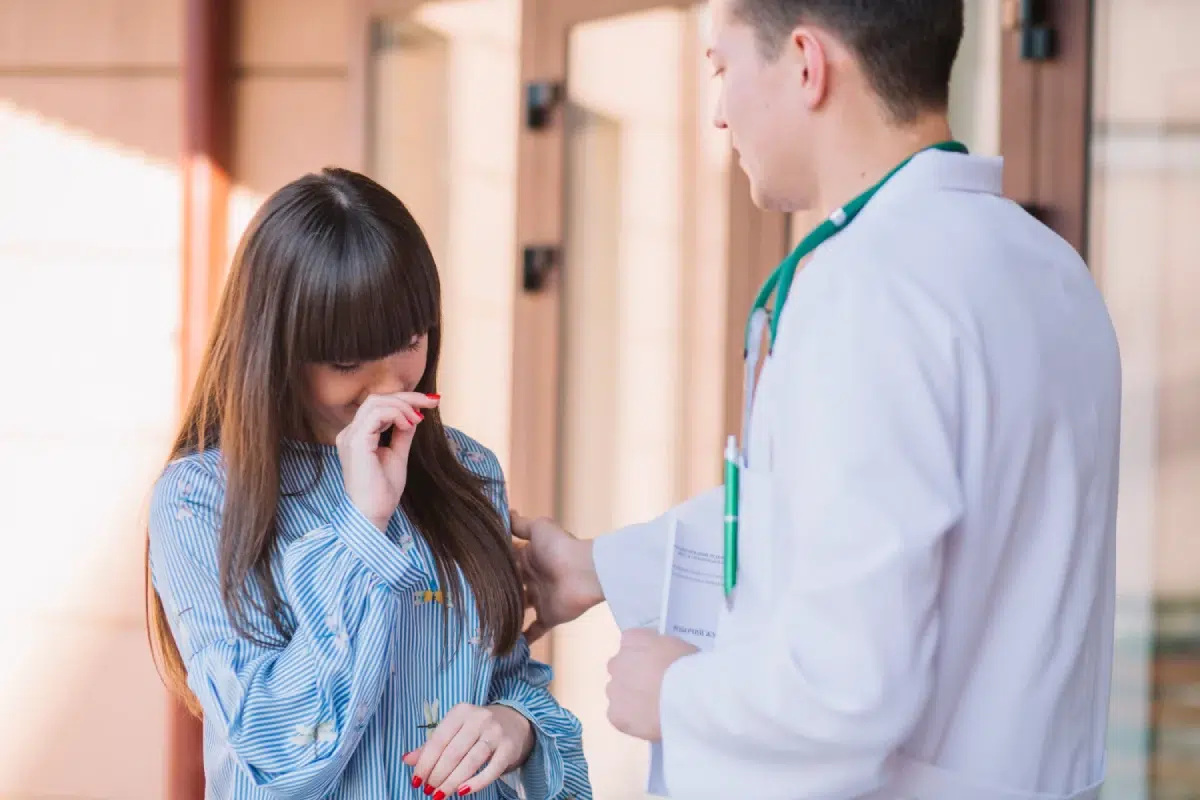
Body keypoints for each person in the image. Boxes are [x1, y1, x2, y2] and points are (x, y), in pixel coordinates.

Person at [513, 1, 1121, 798]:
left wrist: (678, 698)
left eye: (722, 67)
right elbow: (825, 518)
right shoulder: (1051, 269)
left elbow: (847, 692)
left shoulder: (868, 287)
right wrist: (599, 568)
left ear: (806, 63)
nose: (720, 114)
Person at [146, 168, 591, 800]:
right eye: (348, 361)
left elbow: (501, 680)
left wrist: (515, 725)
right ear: (277, 349)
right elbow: (274, 746)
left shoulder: (467, 472)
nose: (390, 387)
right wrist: (363, 528)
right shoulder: (201, 500)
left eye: (409, 342)